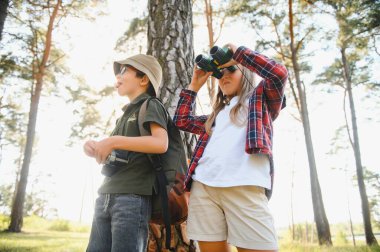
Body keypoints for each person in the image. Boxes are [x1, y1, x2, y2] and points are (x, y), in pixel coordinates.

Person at [173, 43, 288, 252]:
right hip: (204, 188)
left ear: (244, 70)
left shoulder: (260, 101)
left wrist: (238, 54)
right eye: (219, 73)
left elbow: (278, 73)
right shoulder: (216, 116)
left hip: (244, 185)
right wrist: (194, 86)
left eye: (231, 69)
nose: (223, 76)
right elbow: (182, 121)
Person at [83, 54, 168, 252]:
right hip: (105, 194)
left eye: (124, 71)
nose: (117, 77)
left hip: (132, 198)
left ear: (144, 79)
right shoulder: (125, 114)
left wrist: (112, 141)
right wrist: (96, 147)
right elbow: (118, 150)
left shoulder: (151, 105)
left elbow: (160, 143)